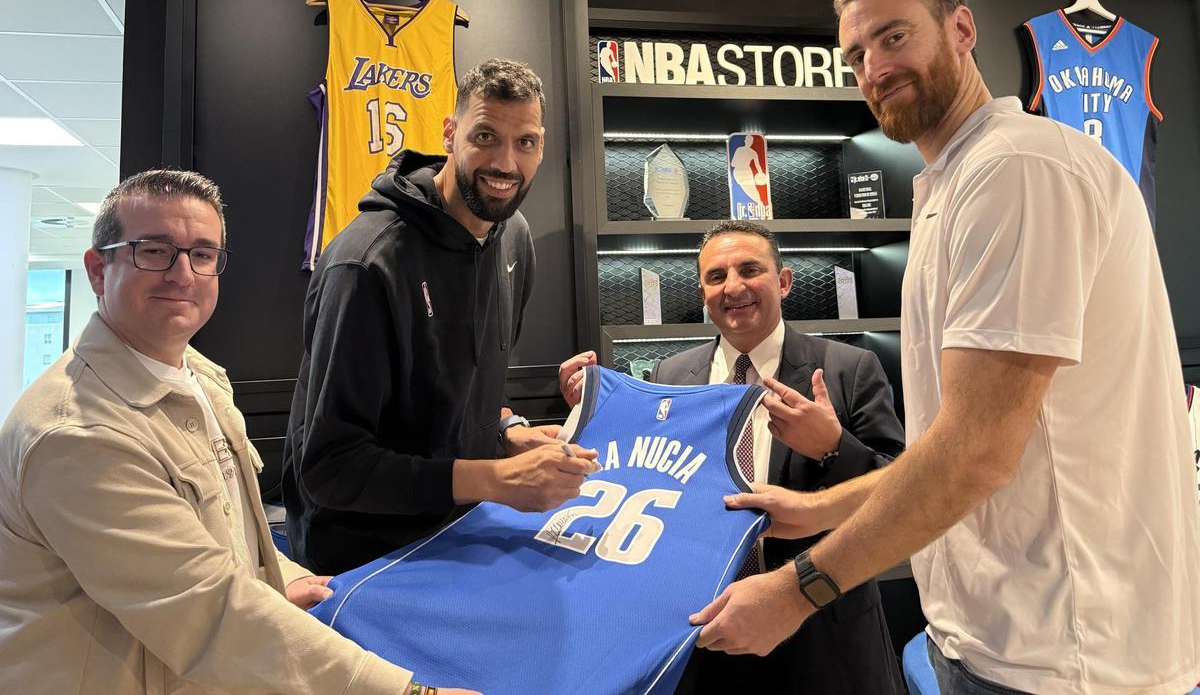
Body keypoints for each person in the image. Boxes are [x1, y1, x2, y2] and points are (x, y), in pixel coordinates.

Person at [685, 0, 1200, 694]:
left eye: (894, 36)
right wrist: (816, 509)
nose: (875, 67)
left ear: (962, 29)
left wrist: (798, 590)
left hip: (1068, 656)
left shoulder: (1015, 170)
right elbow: (951, 449)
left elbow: (977, 453)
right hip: (999, 638)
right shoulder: (955, 186)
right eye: (856, 55)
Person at [0, 169, 474, 694]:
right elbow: (207, 614)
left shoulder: (200, 378)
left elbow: (220, 534)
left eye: (203, 254)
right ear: (97, 269)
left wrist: (276, 579)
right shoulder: (78, 434)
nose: (182, 274)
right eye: (153, 250)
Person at [559, 219, 905, 694]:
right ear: (702, 291)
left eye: (750, 270)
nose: (733, 287)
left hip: (819, 633)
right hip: (700, 634)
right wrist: (590, 416)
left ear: (783, 281)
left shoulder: (849, 368)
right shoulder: (670, 375)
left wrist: (832, 447)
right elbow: (636, 474)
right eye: (716, 276)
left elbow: (903, 492)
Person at [283, 58, 599, 575]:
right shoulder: (364, 265)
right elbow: (330, 467)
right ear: (450, 134)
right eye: (485, 136)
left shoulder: (513, 236)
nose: (505, 164)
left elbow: (464, 387)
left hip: (459, 537)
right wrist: (497, 480)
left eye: (526, 143)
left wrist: (508, 432)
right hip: (364, 562)